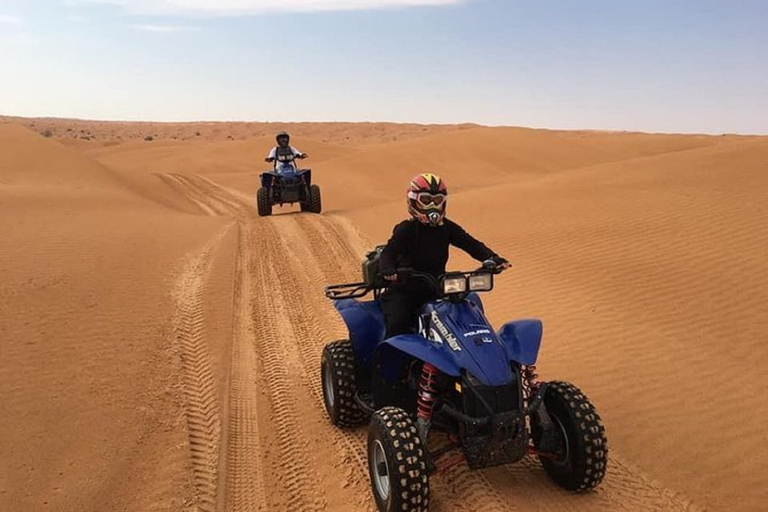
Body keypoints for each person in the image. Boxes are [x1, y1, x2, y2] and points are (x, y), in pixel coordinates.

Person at [378, 173, 510, 340]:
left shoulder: (446, 227)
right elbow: (388, 252)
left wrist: (492, 257)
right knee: (398, 323)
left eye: (437, 200)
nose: (432, 205)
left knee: (469, 308)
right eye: (426, 200)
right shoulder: (406, 229)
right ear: (413, 200)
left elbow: (469, 243)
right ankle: (389, 364)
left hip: (438, 287)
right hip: (406, 289)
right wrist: (387, 269)